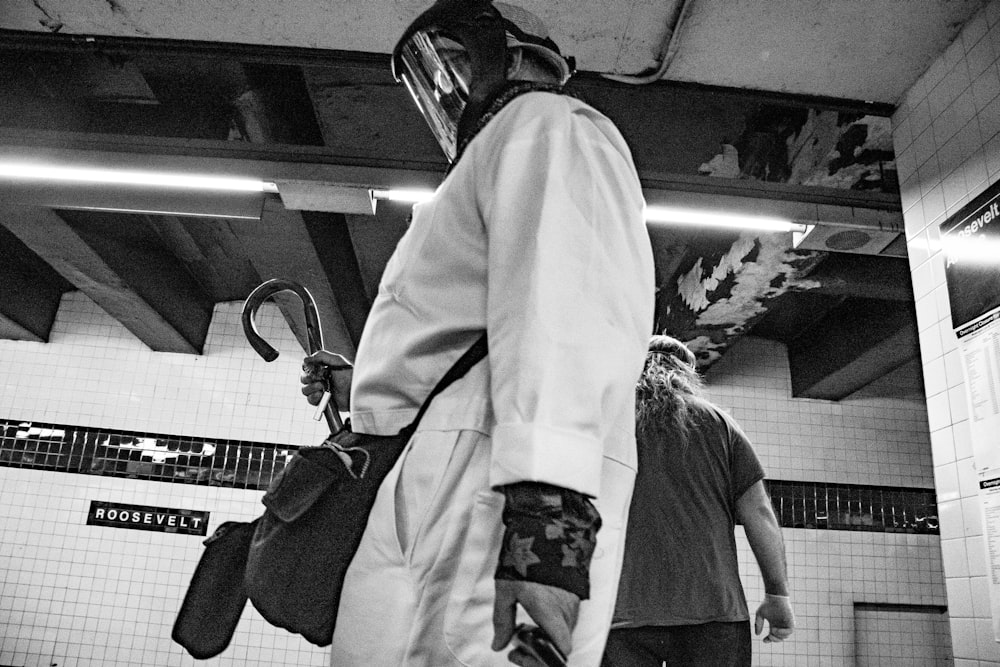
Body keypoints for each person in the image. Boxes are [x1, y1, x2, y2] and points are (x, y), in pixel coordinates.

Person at [300, 1, 655, 665]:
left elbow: (570, 310)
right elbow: (461, 336)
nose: (446, 85)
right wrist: (365, 386)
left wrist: (548, 524)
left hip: (497, 475)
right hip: (440, 467)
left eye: (458, 60)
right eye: (433, 71)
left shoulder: (551, 123)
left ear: (520, 57)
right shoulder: (496, 154)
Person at [602, 336, 795, 667]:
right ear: (687, 373)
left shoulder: (608, 422)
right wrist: (777, 595)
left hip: (619, 612)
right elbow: (759, 514)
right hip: (714, 612)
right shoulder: (720, 424)